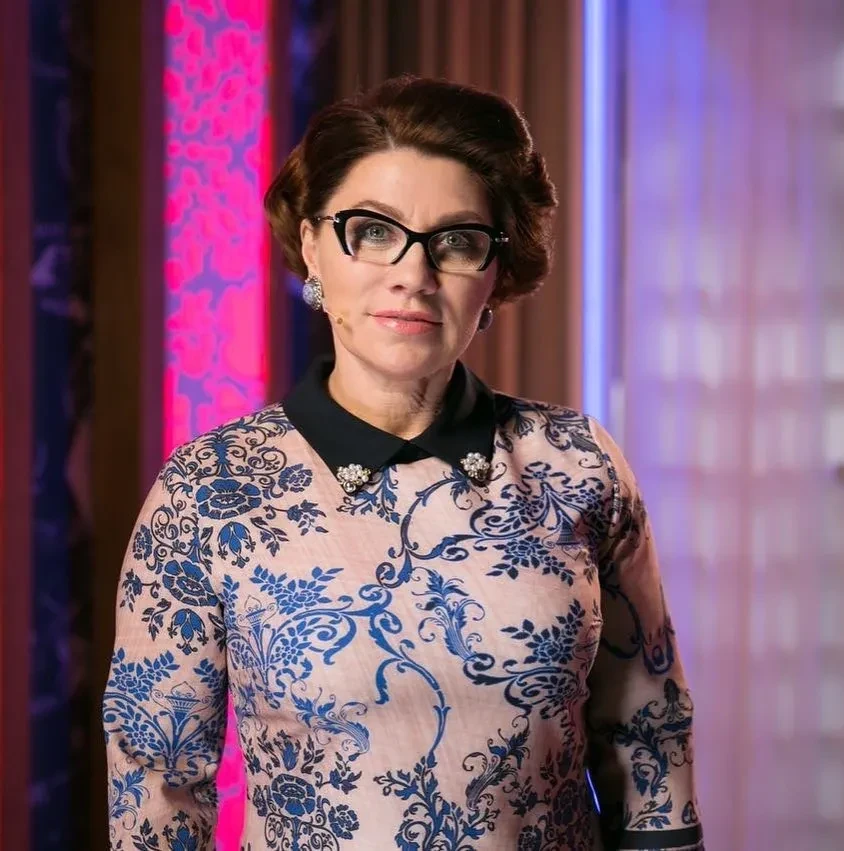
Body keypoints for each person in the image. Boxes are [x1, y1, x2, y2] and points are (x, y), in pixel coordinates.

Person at [103, 75, 703, 851]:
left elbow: (647, 732)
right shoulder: (207, 489)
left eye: (455, 241)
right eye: (372, 230)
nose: (412, 275)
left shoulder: (576, 462)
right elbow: (156, 784)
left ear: (496, 271)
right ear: (312, 245)